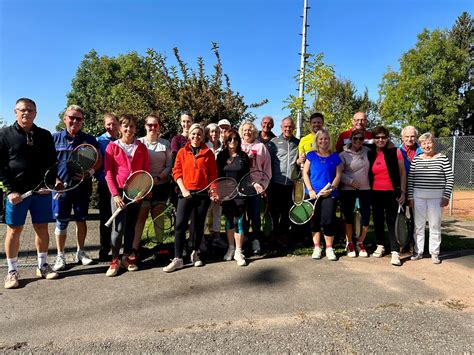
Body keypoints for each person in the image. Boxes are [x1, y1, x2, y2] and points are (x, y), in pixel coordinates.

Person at [0, 98, 59, 288]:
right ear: (15, 112)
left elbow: (52, 163)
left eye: (30, 110)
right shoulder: (4, 135)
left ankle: (42, 266)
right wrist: (10, 191)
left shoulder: (44, 135)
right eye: (22, 110)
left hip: (41, 193)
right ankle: (12, 271)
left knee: (42, 228)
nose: (26, 113)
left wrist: (52, 182)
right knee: (14, 230)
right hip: (16, 195)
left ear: (36, 113)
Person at [52, 105, 101, 272]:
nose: (74, 121)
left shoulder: (89, 139)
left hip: (82, 188)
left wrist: (88, 173)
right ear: (64, 118)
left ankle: (80, 252)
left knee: (81, 220)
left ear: (82, 121)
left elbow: (98, 161)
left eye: (78, 119)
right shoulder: (55, 138)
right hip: (61, 189)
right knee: (61, 222)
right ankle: (60, 255)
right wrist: (55, 179)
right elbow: (47, 163)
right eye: (71, 117)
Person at [163, 124, 218, 272]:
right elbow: (176, 172)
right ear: (189, 136)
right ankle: (178, 258)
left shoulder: (208, 153)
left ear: (203, 136)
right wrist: (183, 189)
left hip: (202, 195)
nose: (196, 137)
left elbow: (213, 176)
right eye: (193, 134)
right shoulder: (182, 152)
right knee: (180, 225)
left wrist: (213, 191)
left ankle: (194, 253)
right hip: (185, 193)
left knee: (198, 226)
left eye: (199, 134)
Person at [104, 114, 150, 276]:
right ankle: (114, 260)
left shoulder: (141, 147)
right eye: (125, 126)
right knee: (118, 228)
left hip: (136, 193)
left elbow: (146, 172)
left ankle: (127, 258)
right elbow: (108, 173)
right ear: (120, 128)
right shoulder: (112, 147)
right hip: (119, 193)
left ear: (135, 128)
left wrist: (141, 192)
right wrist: (115, 195)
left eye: (131, 126)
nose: (128, 129)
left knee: (131, 227)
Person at [407, 133, 454, 264]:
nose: (427, 146)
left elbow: (450, 178)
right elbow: (411, 179)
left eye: (429, 143)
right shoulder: (416, 159)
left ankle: (434, 253)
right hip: (418, 197)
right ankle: (418, 251)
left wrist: (446, 195)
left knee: (435, 225)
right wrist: (410, 197)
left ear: (434, 143)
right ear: (420, 146)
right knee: (418, 226)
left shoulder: (442, 158)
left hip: (436, 198)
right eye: (424, 144)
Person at [132, 114, 172, 256]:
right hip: (143, 186)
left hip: (161, 185)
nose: (152, 128)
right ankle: (134, 248)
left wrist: (157, 178)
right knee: (141, 217)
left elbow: (169, 166)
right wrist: (146, 183)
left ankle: (160, 246)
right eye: (150, 125)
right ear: (145, 126)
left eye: (155, 125)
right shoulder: (138, 143)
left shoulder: (165, 143)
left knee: (158, 216)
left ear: (159, 127)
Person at [368, 126, 406, 266]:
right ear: (373, 139)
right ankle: (380, 245)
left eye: (383, 137)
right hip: (375, 192)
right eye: (377, 137)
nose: (380, 140)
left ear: (387, 138)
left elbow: (402, 173)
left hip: (392, 193)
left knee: (392, 222)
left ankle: (395, 252)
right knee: (377, 220)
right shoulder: (370, 153)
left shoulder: (395, 152)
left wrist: (402, 191)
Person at [302, 129, 342, 261]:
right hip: (313, 194)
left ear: (329, 141)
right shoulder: (311, 155)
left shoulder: (335, 156)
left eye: (326, 139)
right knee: (315, 221)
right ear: (316, 141)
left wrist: (330, 190)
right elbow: (305, 173)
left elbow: (338, 175)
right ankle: (317, 247)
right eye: (320, 139)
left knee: (328, 221)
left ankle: (329, 248)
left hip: (329, 194)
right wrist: (310, 190)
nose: (323, 141)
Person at [267, 117, 302, 246]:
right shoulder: (273, 143)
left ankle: (283, 237)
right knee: (274, 212)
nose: (288, 129)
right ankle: (274, 237)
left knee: (287, 212)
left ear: (293, 128)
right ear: (281, 127)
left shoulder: (298, 143)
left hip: (291, 184)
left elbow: (300, 161)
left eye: (290, 126)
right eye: (285, 126)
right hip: (276, 183)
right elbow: (267, 162)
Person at [216, 129, 249, 266]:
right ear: (226, 140)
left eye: (235, 139)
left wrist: (245, 189)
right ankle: (231, 248)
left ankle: (239, 251)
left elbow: (247, 176)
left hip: (240, 194)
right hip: (226, 194)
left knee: (239, 222)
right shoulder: (221, 156)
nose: (233, 142)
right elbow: (217, 176)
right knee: (229, 222)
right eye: (230, 139)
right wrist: (219, 193)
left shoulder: (243, 156)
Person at [239, 121, 272, 254]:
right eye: (245, 130)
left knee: (255, 214)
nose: (247, 132)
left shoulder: (260, 147)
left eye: (249, 130)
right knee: (241, 215)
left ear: (253, 132)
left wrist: (264, 185)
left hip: (257, 186)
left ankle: (256, 239)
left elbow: (267, 168)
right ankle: (244, 239)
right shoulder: (238, 145)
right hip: (241, 186)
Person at [339, 129, 371, 257]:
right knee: (348, 217)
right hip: (348, 190)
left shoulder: (368, 152)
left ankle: (360, 242)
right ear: (351, 140)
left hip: (365, 189)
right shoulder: (343, 155)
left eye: (361, 139)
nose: (358, 141)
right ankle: (350, 242)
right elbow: (339, 173)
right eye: (355, 138)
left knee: (365, 217)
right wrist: (350, 181)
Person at [95, 113, 120, 261]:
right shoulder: (99, 141)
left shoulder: (124, 140)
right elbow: (95, 161)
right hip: (105, 185)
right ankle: (104, 249)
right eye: (108, 124)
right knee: (105, 218)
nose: (111, 127)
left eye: (113, 124)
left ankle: (118, 247)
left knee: (119, 218)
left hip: (121, 186)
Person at [398, 125, 423, 251]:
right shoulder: (397, 151)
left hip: (417, 189)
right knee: (399, 216)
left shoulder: (422, 151)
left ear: (417, 137)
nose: (409, 139)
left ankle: (414, 243)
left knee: (416, 218)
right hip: (400, 188)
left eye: (412, 136)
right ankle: (401, 241)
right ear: (402, 137)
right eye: (407, 136)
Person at [205, 123, 224, 248]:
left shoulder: (223, 147)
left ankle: (216, 236)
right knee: (206, 212)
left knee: (217, 211)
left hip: (220, 184)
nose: (214, 134)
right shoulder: (204, 147)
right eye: (212, 131)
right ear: (207, 133)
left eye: (216, 131)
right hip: (206, 184)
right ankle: (203, 238)